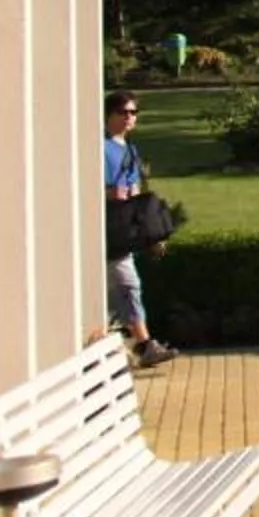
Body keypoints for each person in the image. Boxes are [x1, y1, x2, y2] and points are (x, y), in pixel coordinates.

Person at [104, 92, 178, 369]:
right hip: (108, 229)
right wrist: (110, 193)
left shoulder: (130, 150)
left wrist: (152, 234)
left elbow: (135, 194)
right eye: (123, 112)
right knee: (128, 285)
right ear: (109, 115)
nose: (129, 117)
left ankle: (124, 344)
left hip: (124, 229)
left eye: (133, 113)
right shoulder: (99, 147)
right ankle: (144, 345)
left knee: (118, 292)